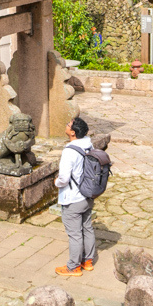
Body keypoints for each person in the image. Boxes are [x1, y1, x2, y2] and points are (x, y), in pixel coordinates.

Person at [54, 116, 96, 276]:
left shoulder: (69, 151)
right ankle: (88, 261)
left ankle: (73, 267)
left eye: (68, 124)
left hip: (73, 198)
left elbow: (64, 178)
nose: (66, 125)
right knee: (87, 227)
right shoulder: (88, 144)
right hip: (88, 194)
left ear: (72, 133)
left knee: (75, 234)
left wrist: (56, 182)